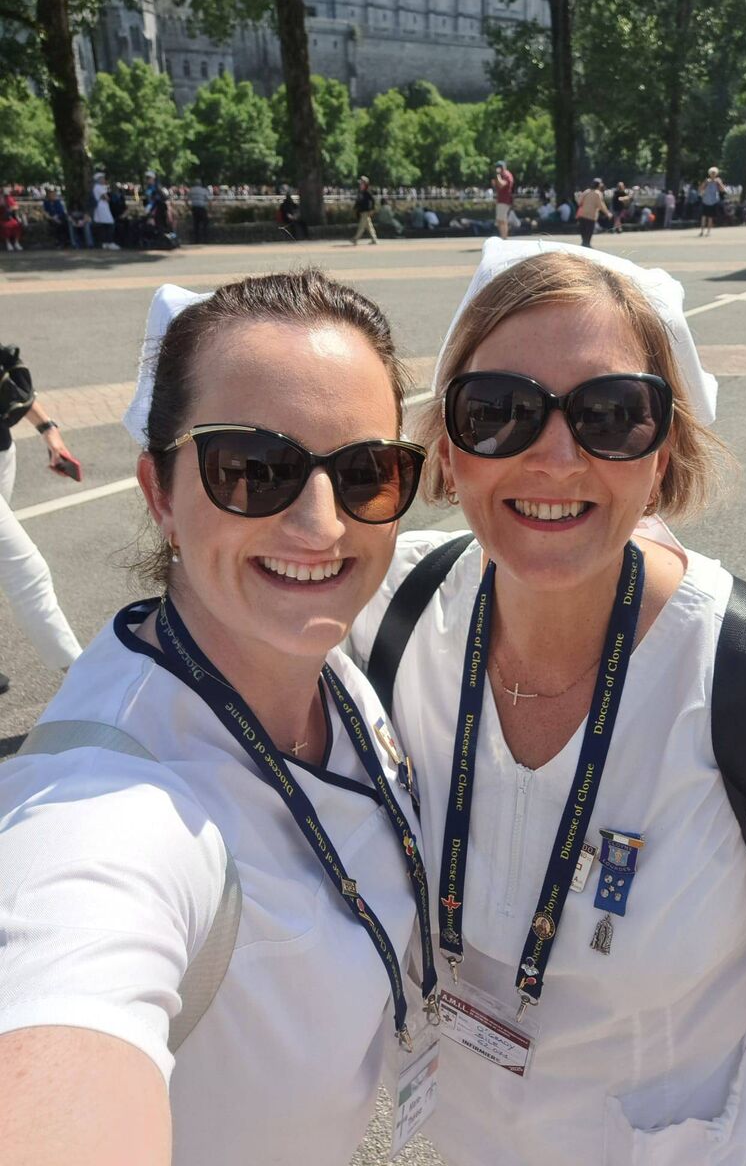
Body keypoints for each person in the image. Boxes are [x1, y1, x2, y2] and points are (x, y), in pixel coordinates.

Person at [349, 236, 746, 1166]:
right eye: (499, 412)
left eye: (611, 414)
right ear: (448, 446)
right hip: (464, 1140)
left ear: (666, 445)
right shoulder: (388, 621)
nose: (556, 458)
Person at [0, 270, 437, 1166]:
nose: (322, 525)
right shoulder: (108, 806)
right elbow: (62, 999)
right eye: (253, 471)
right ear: (159, 493)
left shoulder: (315, 662)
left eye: (366, 473)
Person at [0, 342, 82, 693]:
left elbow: (7, 379)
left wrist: (49, 429)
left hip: (3, 455)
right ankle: (85, 679)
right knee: (27, 571)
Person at [91, 172, 120, 250]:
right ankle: (110, 242)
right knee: (110, 224)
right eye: (103, 178)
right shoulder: (99, 187)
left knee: (103, 226)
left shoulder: (95, 187)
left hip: (100, 208)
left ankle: (105, 242)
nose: (104, 180)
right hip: (102, 208)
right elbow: (106, 198)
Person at [577, 178, 609, 248]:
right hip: (591, 216)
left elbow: (579, 202)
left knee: (583, 231)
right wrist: (607, 213)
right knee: (589, 232)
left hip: (582, 215)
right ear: (599, 185)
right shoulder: (598, 193)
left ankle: (584, 244)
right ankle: (587, 245)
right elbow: (600, 205)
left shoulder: (586, 192)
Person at [351, 175, 378, 245]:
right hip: (362, 212)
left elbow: (373, 200)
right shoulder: (360, 192)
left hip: (366, 211)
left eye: (362, 183)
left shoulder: (367, 192)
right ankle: (374, 239)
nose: (360, 184)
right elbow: (358, 202)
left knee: (361, 226)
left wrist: (372, 209)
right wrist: (354, 209)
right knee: (369, 226)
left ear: (365, 184)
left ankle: (355, 239)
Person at [699, 167, 725, 236]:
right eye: (712, 173)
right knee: (703, 217)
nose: (713, 174)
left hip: (713, 201)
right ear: (709, 174)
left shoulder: (718, 181)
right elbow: (701, 189)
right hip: (705, 201)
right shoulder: (707, 181)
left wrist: (719, 183)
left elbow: (722, 190)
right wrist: (705, 183)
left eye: (714, 173)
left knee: (710, 218)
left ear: (716, 174)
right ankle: (702, 231)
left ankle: (708, 232)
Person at [492, 161, 515, 240]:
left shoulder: (506, 175)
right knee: (500, 220)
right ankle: (503, 237)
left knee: (502, 220)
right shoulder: (501, 175)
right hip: (501, 199)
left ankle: (504, 238)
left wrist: (498, 176)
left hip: (504, 200)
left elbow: (502, 184)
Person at [188, 179, 210, 243]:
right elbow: (209, 200)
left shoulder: (191, 190)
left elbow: (186, 200)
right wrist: (210, 209)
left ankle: (196, 240)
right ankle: (205, 239)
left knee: (196, 224)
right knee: (205, 223)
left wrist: (189, 207)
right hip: (202, 208)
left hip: (194, 208)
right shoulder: (204, 190)